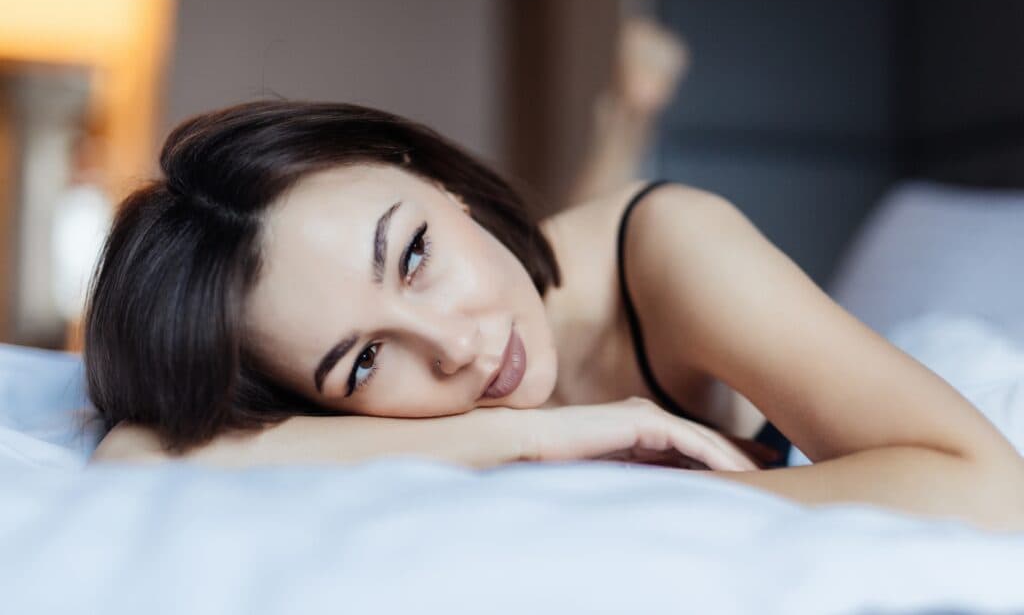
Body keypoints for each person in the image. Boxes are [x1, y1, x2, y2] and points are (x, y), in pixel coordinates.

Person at [85, 98, 1024, 532]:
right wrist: (549, 441)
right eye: (364, 363)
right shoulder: (407, 415)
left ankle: (630, 104)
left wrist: (661, 494)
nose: (457, 346)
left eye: (413, 255)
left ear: (436, 179)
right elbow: (135, 454)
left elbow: (991, 490)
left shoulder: (669, 247)